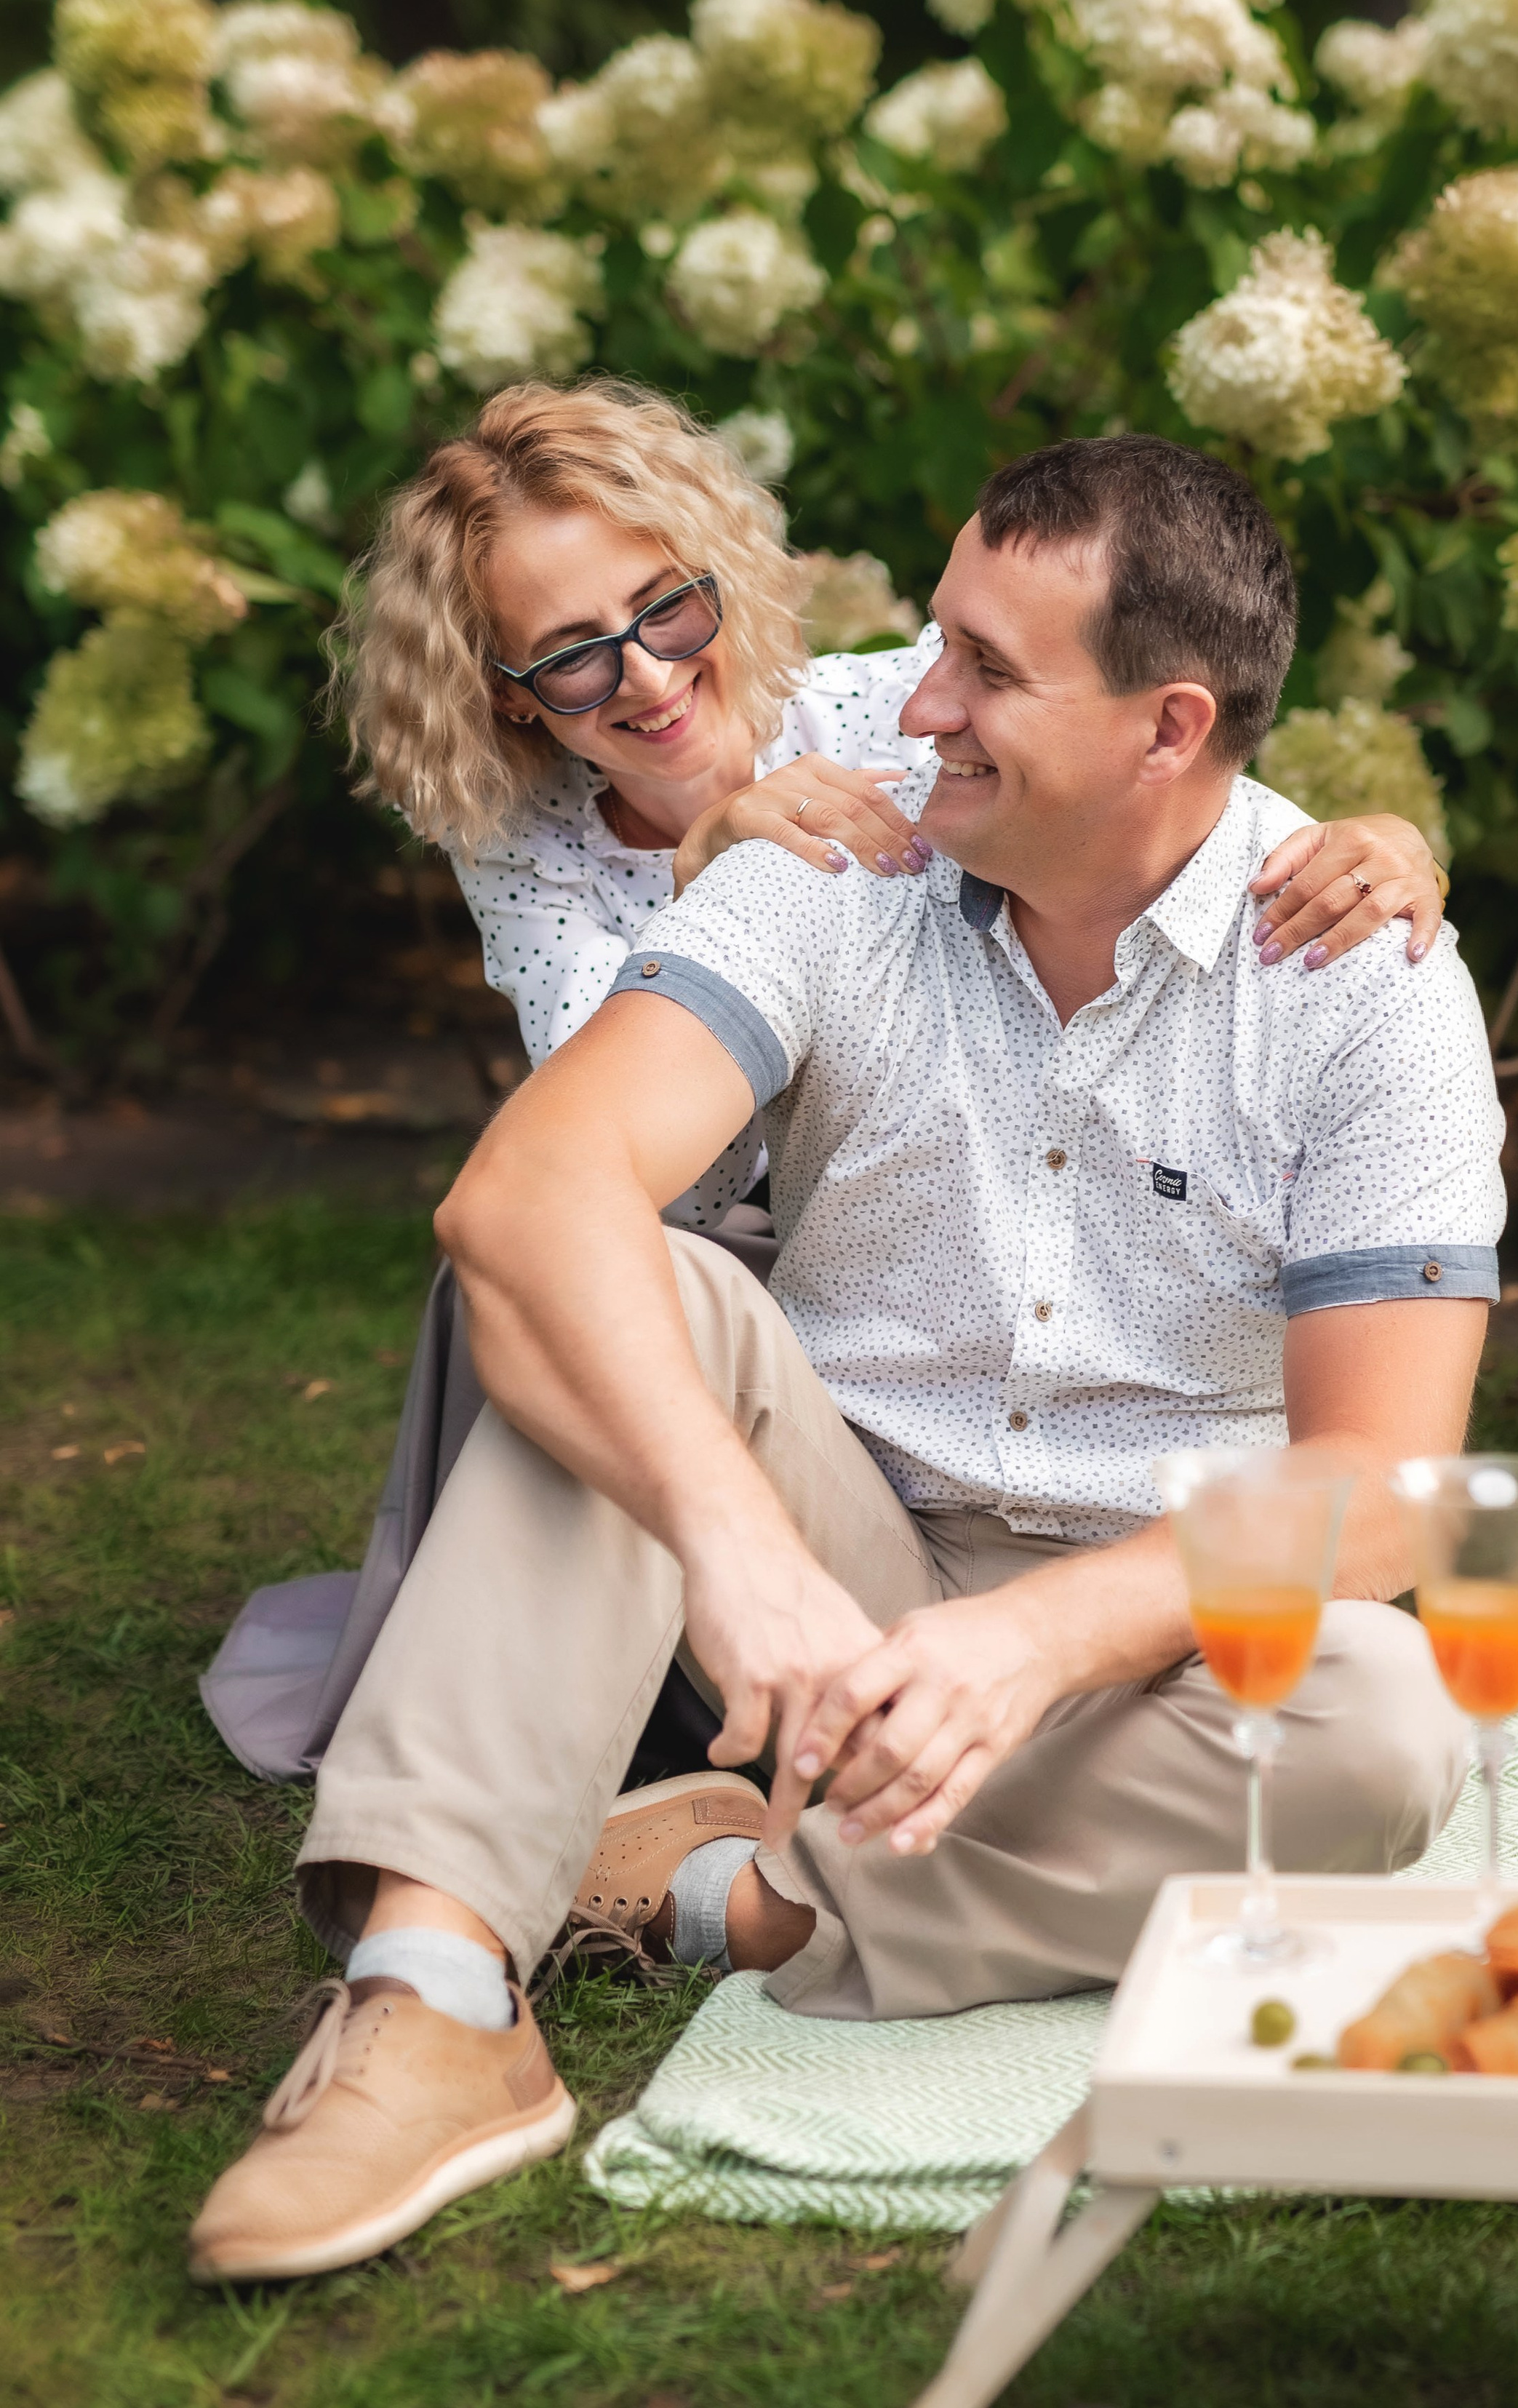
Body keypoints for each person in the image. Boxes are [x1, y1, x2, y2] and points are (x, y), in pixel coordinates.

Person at [188, 428, 1504, 2286]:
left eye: (979, 670)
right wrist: (735, 1550)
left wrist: (1032, 1640)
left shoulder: (1360, 983)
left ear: (1166, 726)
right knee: (637, 1281)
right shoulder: (832, 857)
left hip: (1162, 1623)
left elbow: (1382, 1490)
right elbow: (526, 1196)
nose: (916, 708)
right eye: (935, 647)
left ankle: (740, 1899)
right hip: (829, 1554)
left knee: (1379, 1724)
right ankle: (431, 1991)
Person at [199, 380, 1447, 1782]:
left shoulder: (889, 720)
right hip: (729, 1267)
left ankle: (727, 1883)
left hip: (911, 1231)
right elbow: (612, 1164)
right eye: (573, 661)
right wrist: (702, 886)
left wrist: (1391, 845)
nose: (650, 679)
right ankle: (541, 1796)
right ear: (509, 696)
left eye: (664, 613)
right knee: (567, 1271)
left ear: (715, 582)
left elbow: (1163, 750)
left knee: (1384, 1724)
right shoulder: (533, 847)